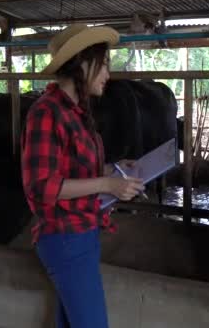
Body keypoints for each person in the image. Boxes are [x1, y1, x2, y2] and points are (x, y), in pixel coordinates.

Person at [21, 24, 145, 328]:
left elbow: (72, 172)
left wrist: (114, 170)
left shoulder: (75, 112)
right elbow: (42, 186)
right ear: (83, 64)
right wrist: (107, 184)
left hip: (81, 232)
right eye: (104, 65)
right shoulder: (47, 113)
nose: (107, 74)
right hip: (65, 236)